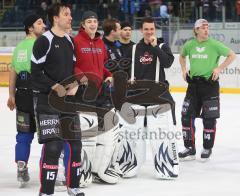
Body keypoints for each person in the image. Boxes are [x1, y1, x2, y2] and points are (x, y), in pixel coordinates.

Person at [31, 3, 84, 196]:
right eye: (66, 14)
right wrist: (54, 86)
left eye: (70, 14)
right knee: (53, 146)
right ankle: (46, 191)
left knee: (76, 146)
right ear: (55, 18)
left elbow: (72, 71)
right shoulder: (44, 41)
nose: (70, 17)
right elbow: (35, 73)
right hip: (47, 102)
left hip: (68, 103)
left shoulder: (70, 41)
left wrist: (76, 83)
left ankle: (74, 186)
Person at [115, 17, 178, 179]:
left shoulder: (163, 46)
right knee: (132, 137)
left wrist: (155, 46)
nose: (149, 32)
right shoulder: (134, 49)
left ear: (154, 30)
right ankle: (129, 166)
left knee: (161, 137)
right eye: (146, 29)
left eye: (151, 29)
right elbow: (124, 69)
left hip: (157, 99)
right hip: (136, 99)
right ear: (141, 30)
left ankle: (165, 168)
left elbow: (167, 63)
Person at [73, 10, 121, 186]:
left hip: (101, 93)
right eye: (89, 21)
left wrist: (110, 74)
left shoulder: (100, 43)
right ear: (83, 25)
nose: (93, 24)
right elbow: (73, 65)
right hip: (84, 94)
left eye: (95, 21)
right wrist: (81, 78)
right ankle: (83, 171)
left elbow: (103, 66)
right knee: (88, 135)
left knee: (106, 133)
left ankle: (99, 169)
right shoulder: (76, 41)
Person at [178, 19, 236, 161]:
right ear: (196, 30)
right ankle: (190, 148)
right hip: (193, 87)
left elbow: (232, 55)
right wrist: (184, 69)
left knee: (209, 120)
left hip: (210, 86)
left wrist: (219, 68)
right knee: (186, 117)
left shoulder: (214, 44)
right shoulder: (189, 44)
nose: (206, 30)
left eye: (207, 27)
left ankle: (207, 147)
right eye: (203, 27)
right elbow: (181, 56)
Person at [7, 14, 45, 187]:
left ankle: (21, 164)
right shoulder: (41, 45)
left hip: (21, 95)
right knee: (49, 133)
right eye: (39, 23)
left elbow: (13, 72)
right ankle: (51, 169)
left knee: (23, 134)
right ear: (30, 28)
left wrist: (11, 95)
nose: (43, 26)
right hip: (39, 94)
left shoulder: (19, 47)